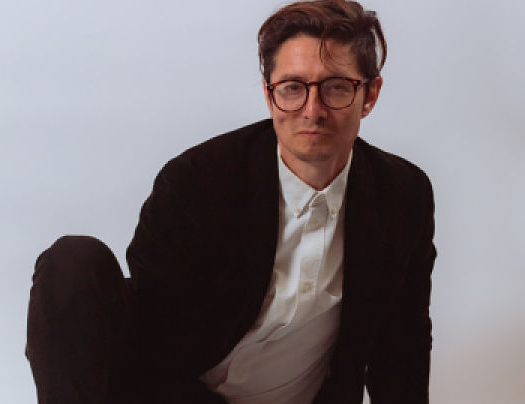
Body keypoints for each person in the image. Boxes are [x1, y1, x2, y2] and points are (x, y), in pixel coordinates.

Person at [26, 1, 436, 403]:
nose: (312, 111)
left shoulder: (403, 195)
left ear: (370, 94)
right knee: (72, 263)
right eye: (292, 88)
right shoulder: (196, 183)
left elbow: (403, 348)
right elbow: (152, 343)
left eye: (336, 88)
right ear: (269, 95)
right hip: (174, 395)